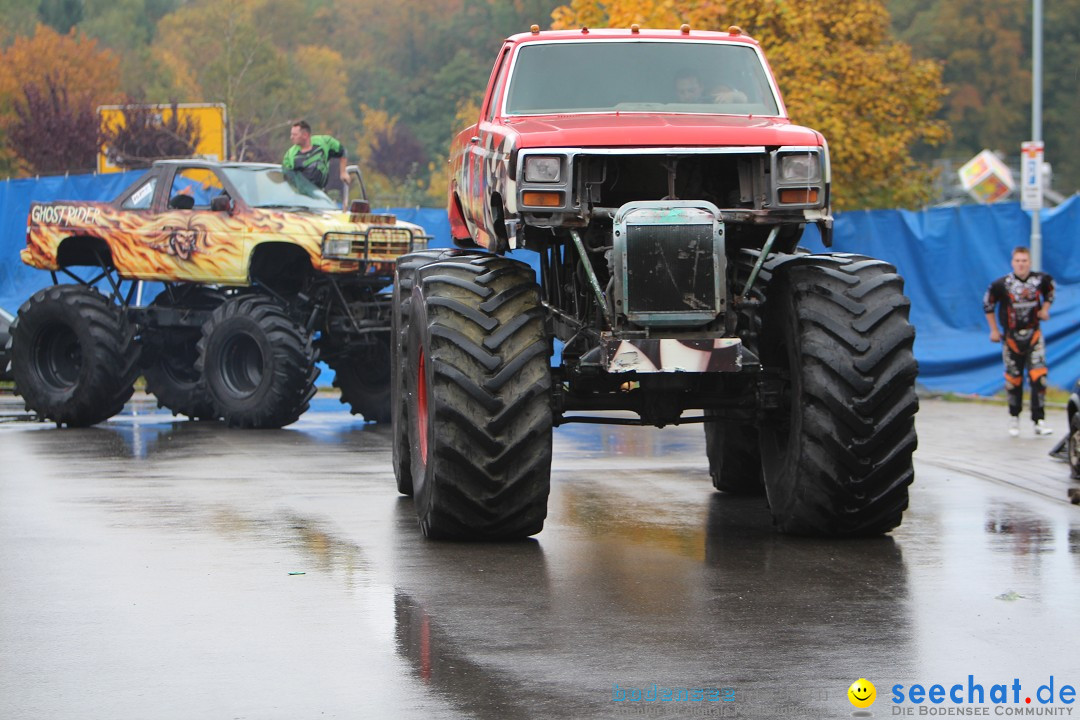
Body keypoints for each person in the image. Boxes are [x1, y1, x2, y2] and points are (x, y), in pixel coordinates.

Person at [983, 246, 1055, 437]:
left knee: (1039, 377)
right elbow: (988, 304)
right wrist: (994, 330)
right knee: (1013, 380)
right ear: (1012, 262)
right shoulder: (1002, 284)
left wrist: (1045, 309)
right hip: (1011, 338)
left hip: (1034, 335)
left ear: (1029, 262)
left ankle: (1039, 420)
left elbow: (1050, 291)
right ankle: (1014, 418)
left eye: (1024, 261)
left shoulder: (1040, 280)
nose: (1021, 264)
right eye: (1018, 261)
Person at [281, 119, 349, 190]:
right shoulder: (289, 155)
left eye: (294, 135)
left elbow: (342, 151)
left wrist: (343, 172)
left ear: (305, 135)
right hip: (300, 196)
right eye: (291, 134)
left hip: (320, 194)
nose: (291, 137)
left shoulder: (324, 142)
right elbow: (287, 180)